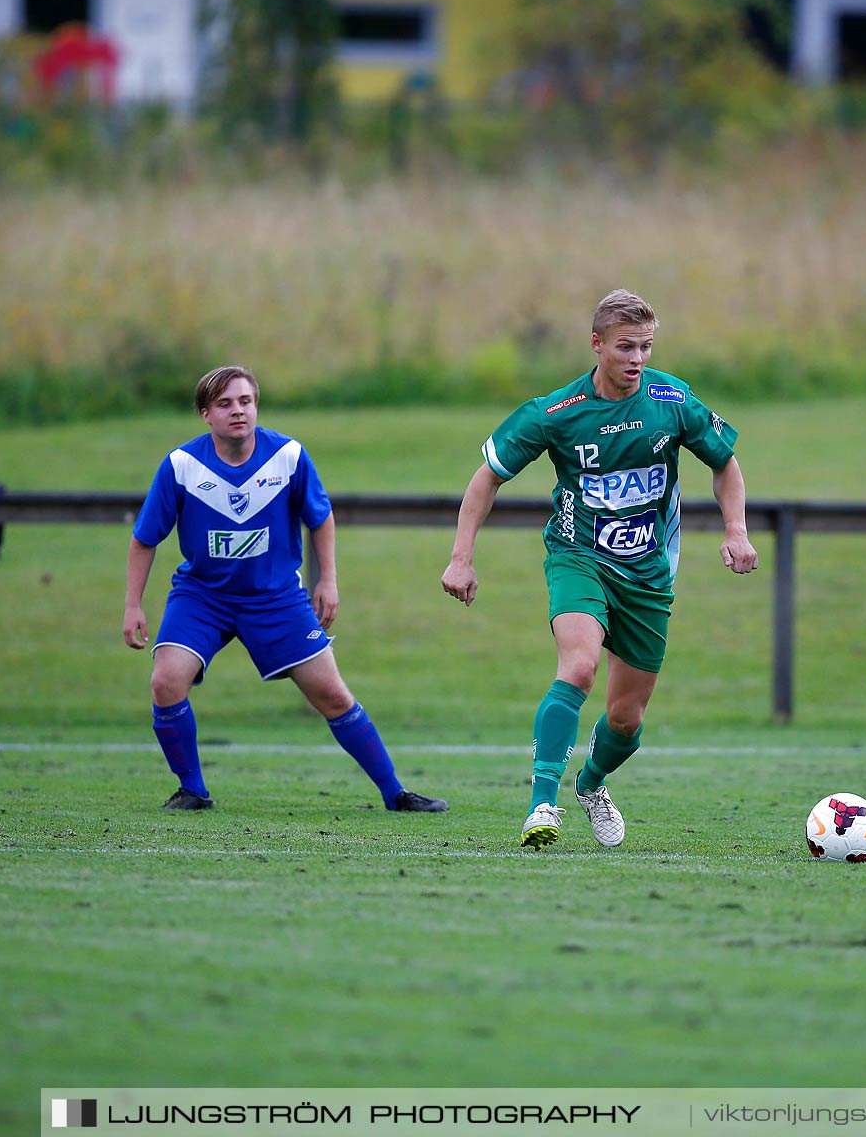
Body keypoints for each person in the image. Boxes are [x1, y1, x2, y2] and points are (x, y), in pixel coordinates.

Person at [441, 290, 757, 849]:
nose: (637, 358)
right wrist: (462, 557)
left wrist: (736, 530)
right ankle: (542, 803)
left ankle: (591, 784)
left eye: (646, 347)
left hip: (649, 571)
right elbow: (486, 478)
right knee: (580, 667)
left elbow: (726, 464)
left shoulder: (672, 399)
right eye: (625, 347)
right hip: (578, 556)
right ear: (597, 345)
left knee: (626, 720)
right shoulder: (555, 413)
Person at [123, 365, 447, 814]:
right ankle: (192, 790)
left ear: (256, 407)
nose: (238, 411)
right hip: (202, 596)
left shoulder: (289, 457)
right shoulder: (181, 466)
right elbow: (145, 538)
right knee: (165, 680)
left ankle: (396, 793)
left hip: (275, 598)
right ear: (205, 414)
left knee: (332, 695)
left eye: (245, 402)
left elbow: (320, 517)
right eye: (225, 404)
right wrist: (132, 605)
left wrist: (328, 580)